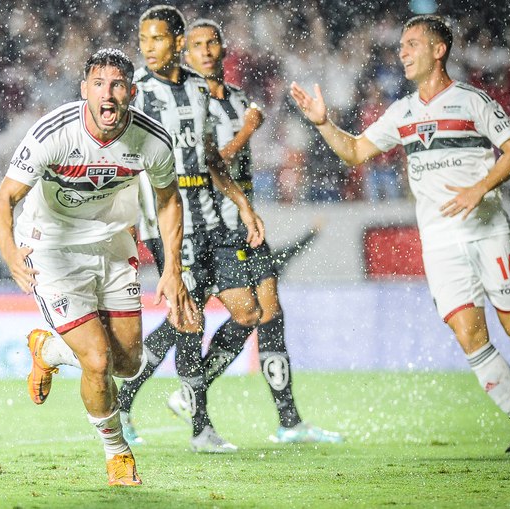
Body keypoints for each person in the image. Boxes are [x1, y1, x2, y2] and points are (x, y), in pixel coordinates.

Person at [290, 14, 510, 453]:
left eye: (412, 44)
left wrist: (479, 188)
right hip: (440, 241)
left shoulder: (471, 101)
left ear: (438, 50)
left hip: (486, 231)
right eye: (402, 45)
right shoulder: (402, 112)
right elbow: (355, 151)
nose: (403, 52)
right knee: (470, 335)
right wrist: (322, 123)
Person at [0, 48, 196, 486]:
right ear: (84, 90)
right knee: (97, 361)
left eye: (117, 85)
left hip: (115, 245)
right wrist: (10, 254)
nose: (108, 94)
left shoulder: (152, 140)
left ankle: (47, 350)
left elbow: (168, 200)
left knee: (127, 363)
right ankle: (117, 454)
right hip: (53, 250)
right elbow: (2, 202)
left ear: (131, 93)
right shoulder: (54, 133)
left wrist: (172, 269)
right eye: (98, 85)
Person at [161, 18, 342, 444]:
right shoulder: (188, 101)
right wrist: (247, 130)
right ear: (185, 54)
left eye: (212, 43)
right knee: (194, 318)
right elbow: (206, 164)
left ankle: (290, 421)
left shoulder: (240, 98)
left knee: (268, 312)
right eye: (197, 46)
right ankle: (178, 396)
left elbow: (237, 164)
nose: (206, 52)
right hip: (209, 224)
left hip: (244, 220)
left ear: (224, 48)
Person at [116, 5, 267, 453]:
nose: (147, 47)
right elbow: (123, 161)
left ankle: (133, 396)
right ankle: (201, 428)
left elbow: (210, 157)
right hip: (166, 225)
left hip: (212, 217)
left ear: (177, 42)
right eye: (143, 39)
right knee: (189, 321)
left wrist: (242, 203)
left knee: (247, 313)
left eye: (157, 38)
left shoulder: (201, 89)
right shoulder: (136, 93)